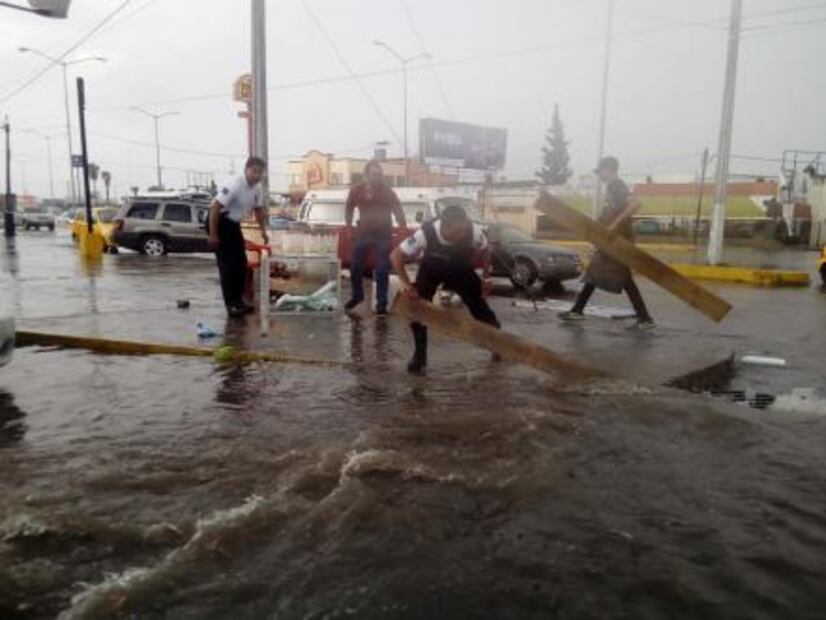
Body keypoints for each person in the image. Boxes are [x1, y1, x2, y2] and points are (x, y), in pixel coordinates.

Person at [391, 205, 500, 374]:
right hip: (432, 269)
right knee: (417, 308)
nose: (463, 235)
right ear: (444, 225)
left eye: (464, 230)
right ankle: (420, 355)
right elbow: (395, 255)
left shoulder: (474, 232)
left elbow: (486, 250)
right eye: (458, 231)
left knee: (480, 309)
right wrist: (406, 284)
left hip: (460, 269)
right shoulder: (425, 234)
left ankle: (498, 344)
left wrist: (486, 277)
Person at [559, 156, 655, 329]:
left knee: (623, 279)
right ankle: (577, 310)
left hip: (617, 242)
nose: (600, 175)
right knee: (594, 273)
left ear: (609, 169)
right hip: (610, 242)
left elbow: (635, 204)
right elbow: (610, 213)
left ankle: (645, 318)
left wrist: (614, 225)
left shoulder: (616, 185)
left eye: (601, 171)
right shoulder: (612, 188)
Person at [208, 156, 270, 318]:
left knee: (241, 263)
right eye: (254, 171)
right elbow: (215, 208)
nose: (257, 175)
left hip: (233, 224)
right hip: (219, 221)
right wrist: (213, 235)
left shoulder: (257, 188)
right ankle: (231, 305)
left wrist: (263, 231)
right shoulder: (235, 183)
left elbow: (259, 211)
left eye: (260, 172)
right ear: (246, 169)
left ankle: (238, 302)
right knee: (227, 266)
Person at [345, 160, 407, 315]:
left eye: (379, 174)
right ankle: (357, 296)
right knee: (355, 267)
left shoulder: (387, 192)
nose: (377, 177)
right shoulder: (356, 191)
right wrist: (348, 227)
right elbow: (349, 208)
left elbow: (399, 212)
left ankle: (381, 304)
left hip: (383, 234)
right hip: (363, 233)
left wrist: (402, 231)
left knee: (381, 270)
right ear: (366, 174)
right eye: (374, 174)